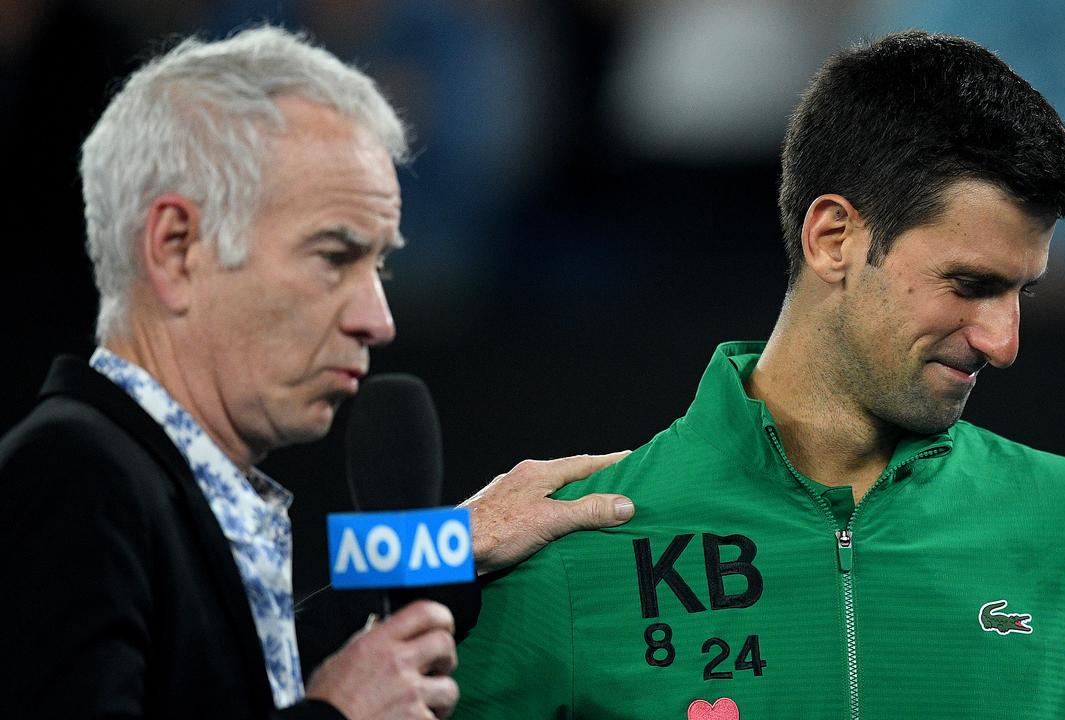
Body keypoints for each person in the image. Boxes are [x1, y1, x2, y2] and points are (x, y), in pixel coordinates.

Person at [452, 31, 1065, 718]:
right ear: (834, 238)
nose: (1003, 342)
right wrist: (424, 546)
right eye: (970, 285)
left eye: (1021, 292)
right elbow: (333, 662)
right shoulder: (571, 547)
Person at [0, 26, 634, 720]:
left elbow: (228, 695)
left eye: (380, 265)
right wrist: (336, 715)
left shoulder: (148, 482)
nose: (379, 318)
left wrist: (451, 545)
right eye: (335, 255)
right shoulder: (75, 475)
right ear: (176, 248)